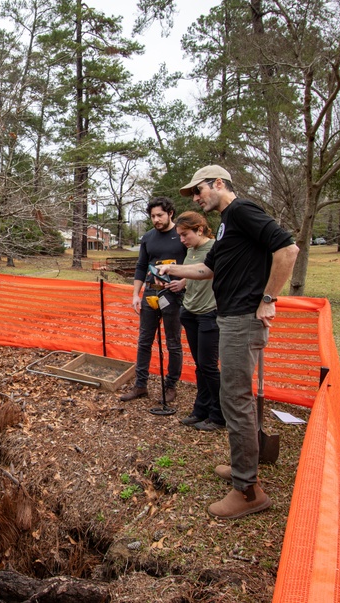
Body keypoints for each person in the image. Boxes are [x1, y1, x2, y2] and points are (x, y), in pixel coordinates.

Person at [159, 166, 298, 520]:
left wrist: (269, 298)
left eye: (199, 190)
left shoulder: (241, 210)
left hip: (242, 318)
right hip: (230, 316)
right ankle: (243, 467)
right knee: (235, 398)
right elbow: (208, 269)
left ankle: (248, 491)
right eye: (191, 194)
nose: (195, 198)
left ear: (219, 184)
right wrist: (173, 271)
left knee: (235, 400)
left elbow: (288, 250)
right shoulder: (225, 225)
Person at [120, 196, 186, 404]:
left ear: (170, 214)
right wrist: (135, 295)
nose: (156, 220)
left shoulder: (182, 235)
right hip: (150, 293)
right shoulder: (148, 237)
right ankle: (141, 385)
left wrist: (184, 282)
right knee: (144, 340)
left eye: (160, 215)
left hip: (174, 295)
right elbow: (141, 266)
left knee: (173, 343)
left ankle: (171, 386)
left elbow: (196, 265)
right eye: (152, 216)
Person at [174, 211, 225, 432]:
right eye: (180, 236)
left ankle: (220, 414)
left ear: (200, 229)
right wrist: (182, 282)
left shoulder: (215, 248)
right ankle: (201, 410)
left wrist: (175, 270)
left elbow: (210, 272)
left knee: (208, 366)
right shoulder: (192, 250)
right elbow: (194, 272)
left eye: (185, 234)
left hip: (209, 312)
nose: (182, 240)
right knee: (200, 366)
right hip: (190, 311)